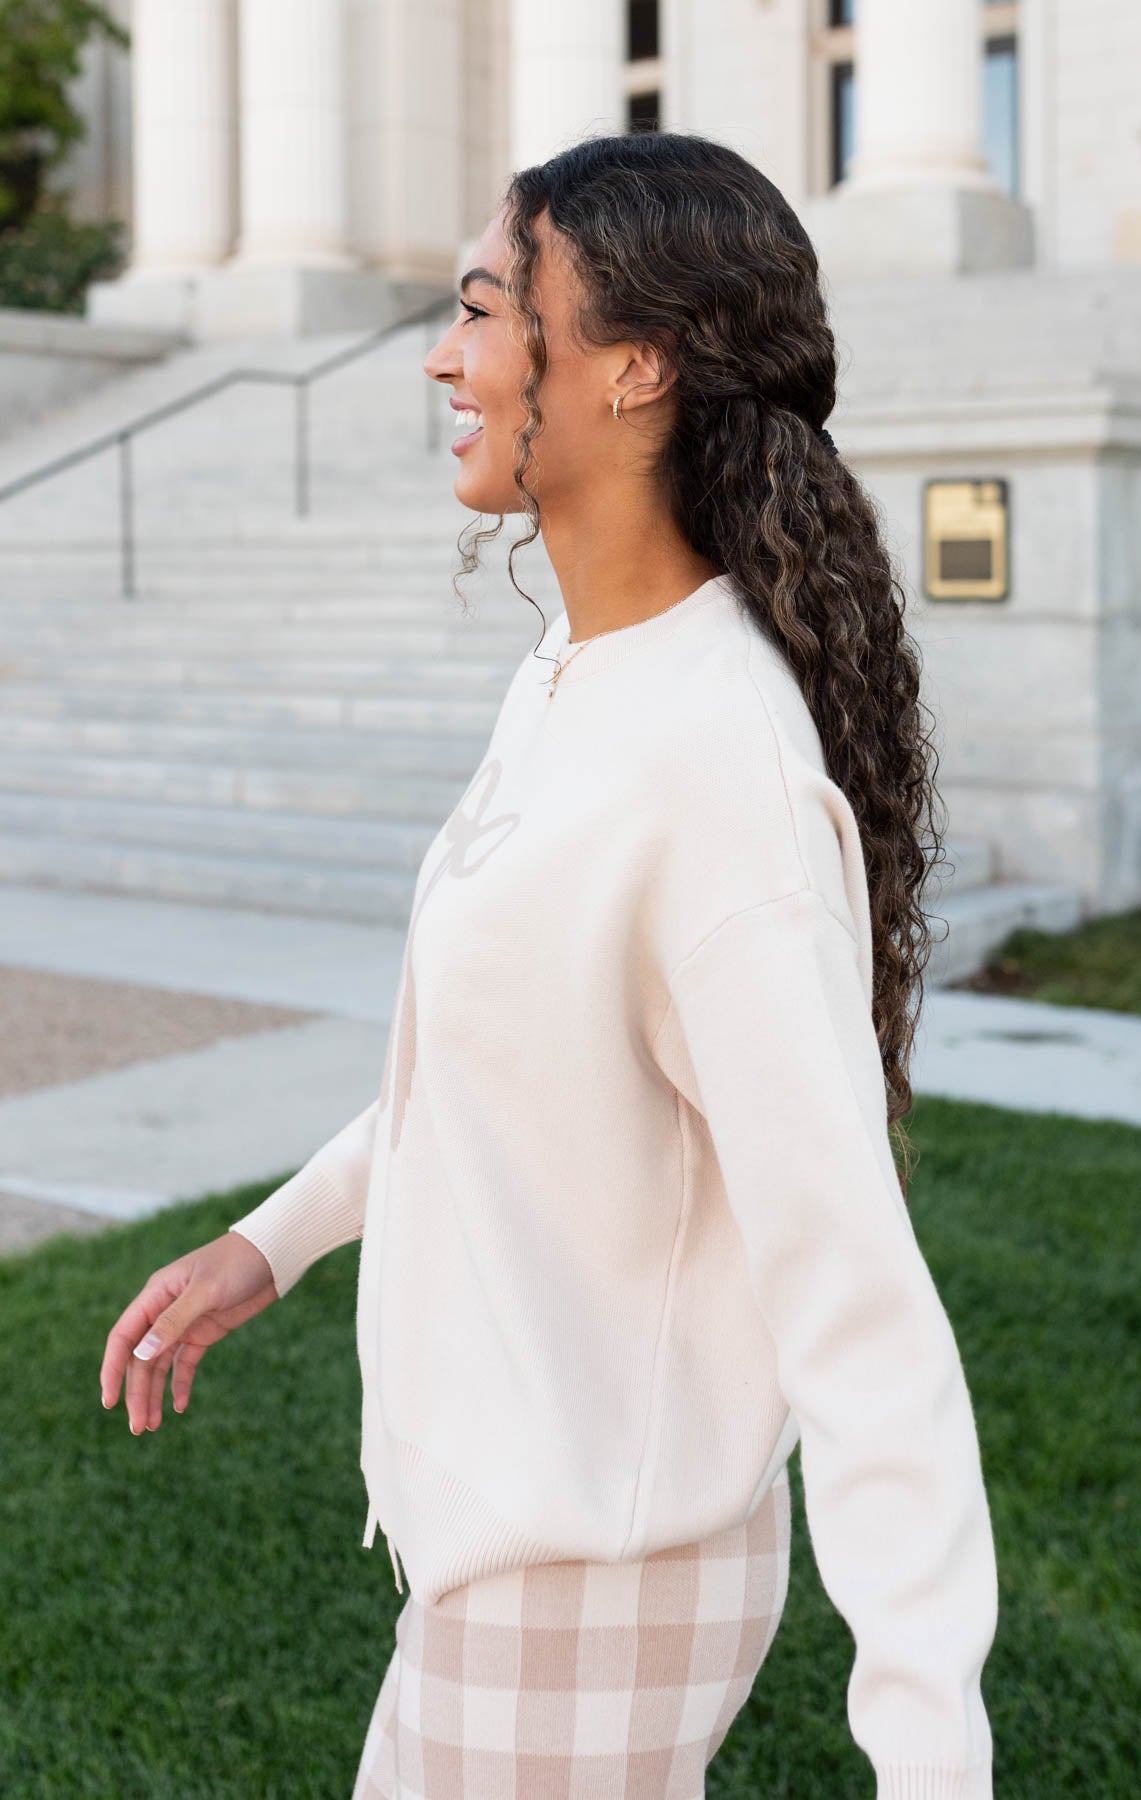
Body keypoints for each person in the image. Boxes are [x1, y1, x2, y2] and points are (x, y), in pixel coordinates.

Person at [100, 132, 998, 1800]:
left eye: (487, 308)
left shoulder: (710, 768)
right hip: (522, 1573)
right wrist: (274, 1240)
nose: (445, 353)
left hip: (594, 1594)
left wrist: (932, 1759)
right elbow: (499, 1060)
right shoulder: (579, 677)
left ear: (631, 369)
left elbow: (859, 1307)